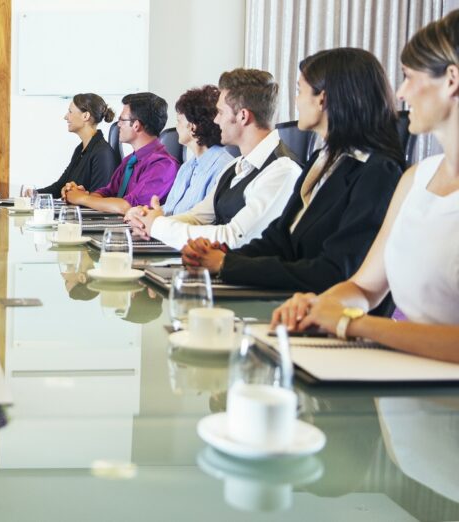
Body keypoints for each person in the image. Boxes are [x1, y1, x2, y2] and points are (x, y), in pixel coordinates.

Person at [272, 12, 459, 363]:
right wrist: (320, 305)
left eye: (409, 78)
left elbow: (360, 316)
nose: (401, 93)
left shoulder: (385, 172)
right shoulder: (415, 178)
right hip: (398, 388)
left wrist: (353, 325)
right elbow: (364, 287)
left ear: (451, 80)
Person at [184, 49, 403, 292]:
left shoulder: (377, 172)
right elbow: (280, 239)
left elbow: (334, 271)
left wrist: (226, 264)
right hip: (294, 300)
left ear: (323, 99)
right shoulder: (322, 160)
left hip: (328, 313)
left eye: (300, 91)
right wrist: (219, 257)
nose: (295, 101)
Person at [126, 69, 303, 249]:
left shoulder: (283, 171)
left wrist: (158, 226)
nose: (216, 120)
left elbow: (234, 238)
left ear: (243, 116)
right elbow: (198, 217)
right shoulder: (235, 166)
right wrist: (147, 221)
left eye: (220, 112)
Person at [126, 85, 234, 218]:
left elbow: (207, 221)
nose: (176, 127)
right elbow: (171, 209)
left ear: (192, 127)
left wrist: (157, 222)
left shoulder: (223, 169)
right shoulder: (187, 167)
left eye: (179, 121)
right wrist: (144, 214)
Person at [62, 92, 178, 214]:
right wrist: (81, 195)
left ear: (136, 125)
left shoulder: (163, 165)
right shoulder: (130, 160)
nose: (118, 125)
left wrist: (82, 199)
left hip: (135, 232)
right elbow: (107, 193)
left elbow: (127, 206)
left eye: (122, 120)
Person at [36, 93, 116, 198]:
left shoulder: (102, 153)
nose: (65, 117)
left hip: (86, 214)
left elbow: (100, 199)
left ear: (85, 116)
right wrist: (33, 194)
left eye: (70, 112)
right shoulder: (80, 149)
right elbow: (60, 186)